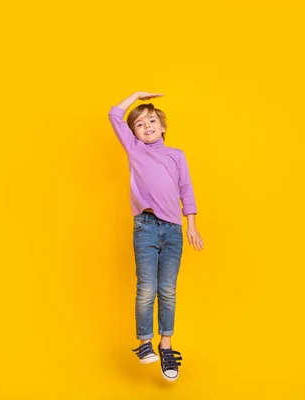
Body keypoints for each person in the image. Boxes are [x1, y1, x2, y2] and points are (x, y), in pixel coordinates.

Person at [108, 92, 204, 382]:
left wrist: (192, 225)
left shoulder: (177, 155)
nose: (146, 126)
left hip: (173, 228)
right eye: (139, 123)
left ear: (162, 127)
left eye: (152, 121)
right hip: (146, 226)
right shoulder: (135, 149)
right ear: (134, 132)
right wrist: (136, 96)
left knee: (168, 290)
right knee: (147, 288)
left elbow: (186, 189)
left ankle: (166, 346)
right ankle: (144, 343)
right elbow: (114, 115)